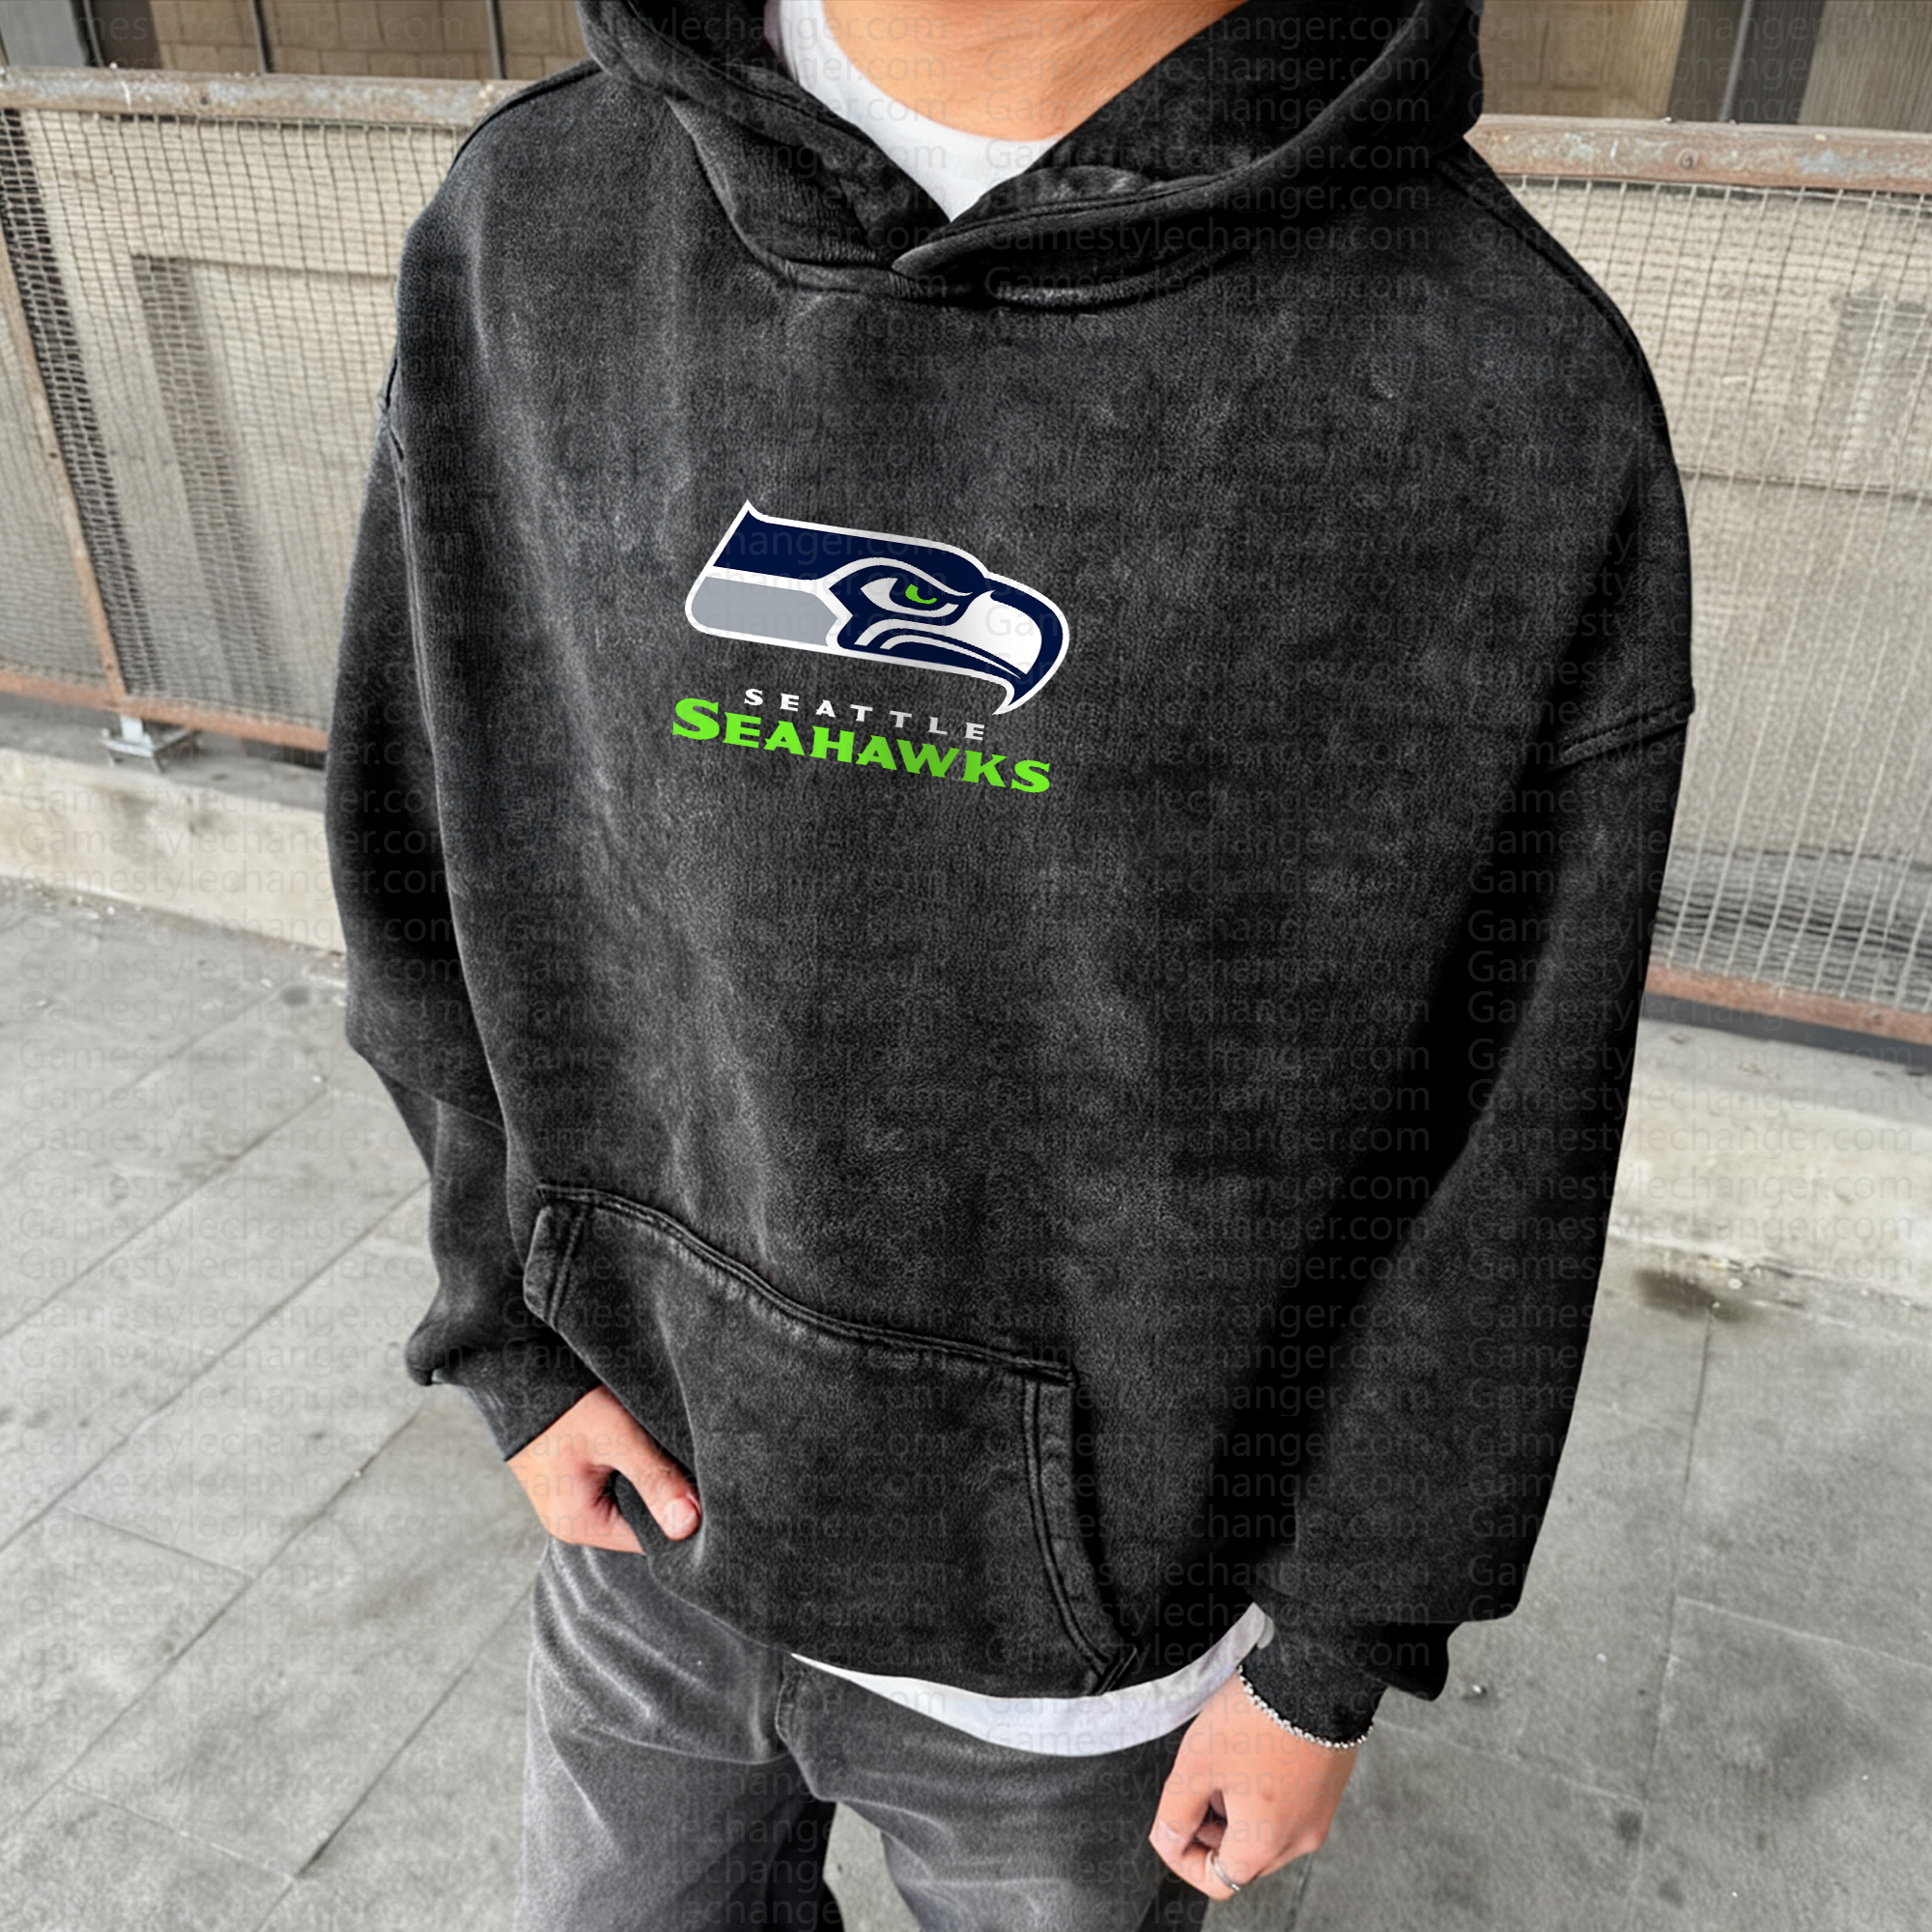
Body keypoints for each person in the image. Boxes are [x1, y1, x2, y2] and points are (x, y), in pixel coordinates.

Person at [323, 0, 1695, 1925]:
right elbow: (428, 831)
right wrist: (506, 1334)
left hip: (1089, 1668)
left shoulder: (1496, 378)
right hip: (646, 1515)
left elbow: (1507, 1119)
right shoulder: (533, 224)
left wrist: (1336, 1648)